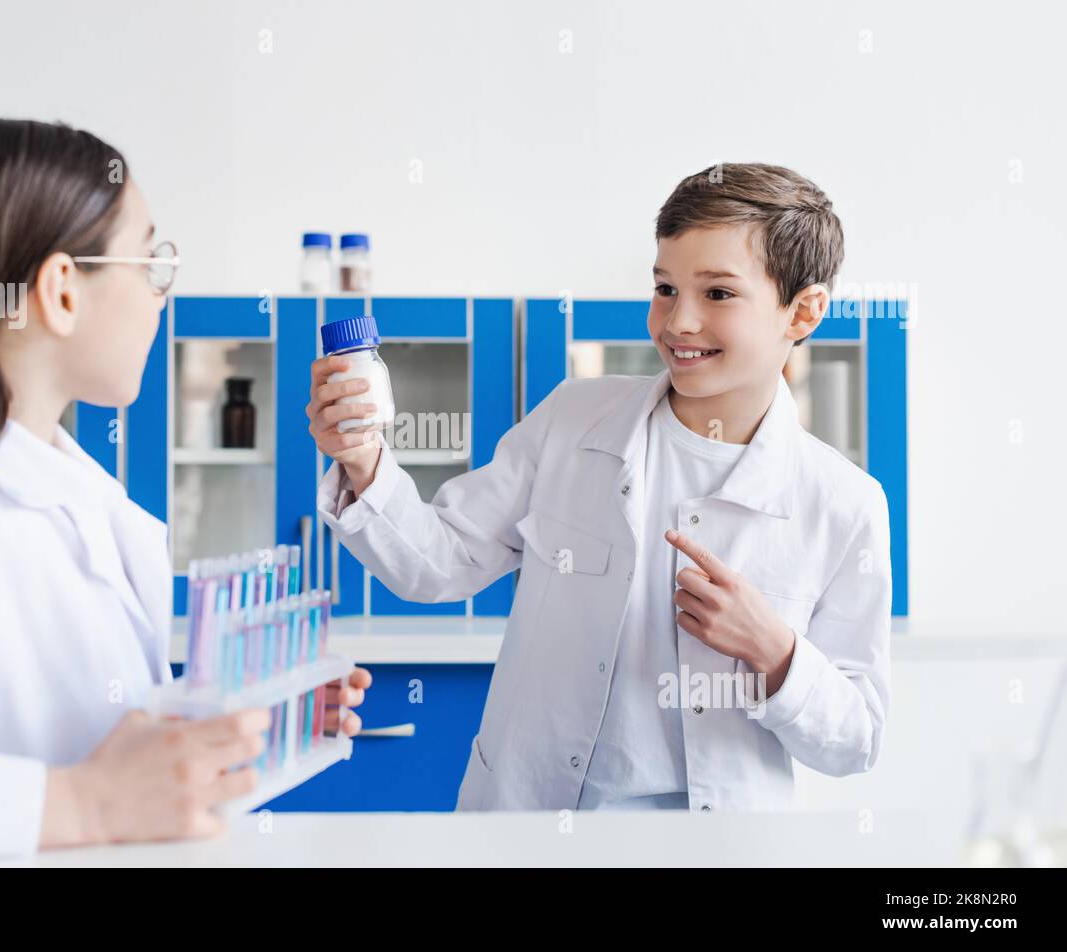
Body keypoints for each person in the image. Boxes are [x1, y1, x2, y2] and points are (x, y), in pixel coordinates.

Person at [0, 118, 369, 862]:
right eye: (149, 261)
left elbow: (105, 743)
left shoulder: (86, 502)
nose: (161, 294)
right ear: (60, 291)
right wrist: (85, 801)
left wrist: (245, 722)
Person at [307, 163, 889, 812]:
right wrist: (362, 462)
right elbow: (439, 564)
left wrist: (775, 650)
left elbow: (856, 737)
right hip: (531, 829)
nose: (678, 322)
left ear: (803, 311)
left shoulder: (844, 504)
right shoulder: (574, 421)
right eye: (665, 287)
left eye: (718, 294)